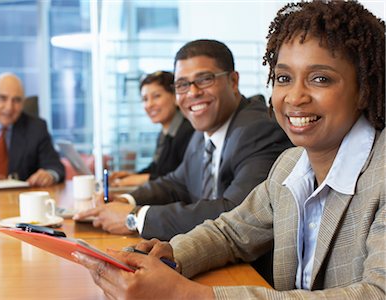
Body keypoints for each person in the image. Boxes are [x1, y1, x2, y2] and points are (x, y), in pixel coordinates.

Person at [72, 1, 385, 298]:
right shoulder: (291, 166)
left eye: (320, 79)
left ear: (363, 89)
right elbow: (231, 232)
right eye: (283, 78)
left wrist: (191, 296)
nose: (294, 97)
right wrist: (169, 254)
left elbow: (377, 293)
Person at [74, 39, 292, 241]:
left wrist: (136, 218)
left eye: (205, 79)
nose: (193, 92)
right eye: (182, 85)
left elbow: (237, 212)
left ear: (233, 81)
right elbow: (176, 183)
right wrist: (126, 201)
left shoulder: (257, 129)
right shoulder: (203, 131)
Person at [110, 71, 194, 187]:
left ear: (175, 97)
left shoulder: (189, 132)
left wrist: (139, 179)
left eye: (156, 96)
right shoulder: (164, 133)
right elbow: (156, 168)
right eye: (145, 99)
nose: (149, 105)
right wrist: (131, 176)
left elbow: (178, 179)